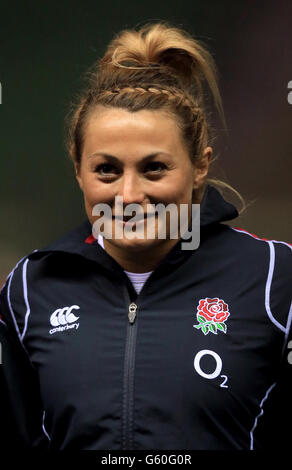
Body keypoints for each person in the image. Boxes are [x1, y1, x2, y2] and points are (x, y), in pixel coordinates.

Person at [0, 21, 291, 451]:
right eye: (107, 170)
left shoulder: (275, 278)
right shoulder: (30, 288)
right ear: (78, 170)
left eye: (154, 168)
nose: (129, 195)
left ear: (201, 166)